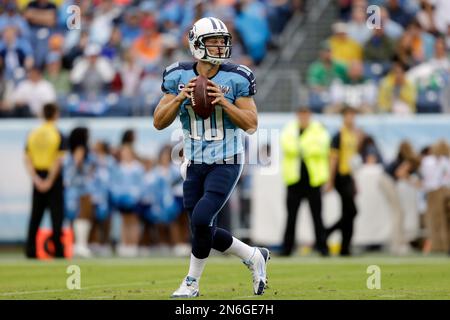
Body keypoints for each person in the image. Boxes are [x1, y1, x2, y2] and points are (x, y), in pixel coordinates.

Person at [153, 17, 269, 298]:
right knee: (202, 228)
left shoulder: (237, 77)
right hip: (193, 161)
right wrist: (180, 98)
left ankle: (191, 283)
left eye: (222, 41)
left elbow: (251, 123)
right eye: (213, 41)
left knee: (202, 217)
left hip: (226, 159)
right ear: (196, 45)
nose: (220, 47)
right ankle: (254, 256)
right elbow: (158, 121)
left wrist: (224, 102)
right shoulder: (176, 75)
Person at [280, 106, 330, 257]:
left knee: (317, 216)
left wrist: (301, 146)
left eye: (306, 114)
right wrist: (307, 145)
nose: (303, 118)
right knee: (291, 217)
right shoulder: (289, 128)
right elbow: (287, 146)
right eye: (301, 114)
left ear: (310, 115)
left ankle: (323, 248)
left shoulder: (318, 129)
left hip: (313, 180)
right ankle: (287, 249)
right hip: (294, 180)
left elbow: (322, 147)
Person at [24, 103, 65, 258]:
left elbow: (27, 158)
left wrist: (35, 179)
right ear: (55, 114)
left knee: (35, 215)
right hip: (52, 177)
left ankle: (30, 250)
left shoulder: (33, 133)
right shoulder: (57, 133)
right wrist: (49, 181)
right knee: (57, 216)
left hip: (37, 176)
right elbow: (58, 160)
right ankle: (58, 251)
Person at [325, 106, 362, 256]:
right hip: (341, 177)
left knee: (348, 213)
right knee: (352, 211)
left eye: (353, 115)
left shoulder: (353, 135)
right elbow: (333, 159)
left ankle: (345, 247)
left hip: (349, 176)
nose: (351, 118)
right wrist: (331, 180)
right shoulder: (339, 135)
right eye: (349, 115)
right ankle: (327, 232)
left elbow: (353, 161)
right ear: (344, 117)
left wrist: (355, 181)